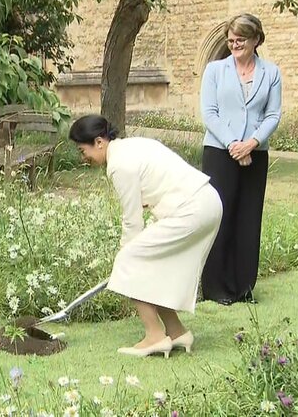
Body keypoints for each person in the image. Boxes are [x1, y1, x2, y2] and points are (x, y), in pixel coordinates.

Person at [69, 115, 222, 358]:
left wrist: (124, 259)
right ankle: (177, 331)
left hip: (193, 208)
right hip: (207, 202)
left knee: (130, 260)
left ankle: (154, 336)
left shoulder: (119, 164)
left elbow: (132, 221)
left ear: (99, 142)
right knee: (150, 264)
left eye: (82, 150)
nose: (83, 157)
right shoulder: (132, 146)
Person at [199, 13, 282, 305]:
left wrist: (252, 143)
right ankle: (215, 288)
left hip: (255, 154)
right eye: (231, 40)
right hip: (220, 152)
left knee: (249, 219)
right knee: (220, 217)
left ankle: (243, 287)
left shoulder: (271, 73)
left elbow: (272, 114)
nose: (234, 45)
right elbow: (209, 113)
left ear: (256, 40)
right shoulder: (214, 70)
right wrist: (234, 144)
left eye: (240, 40)